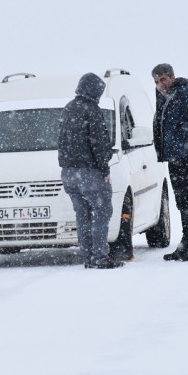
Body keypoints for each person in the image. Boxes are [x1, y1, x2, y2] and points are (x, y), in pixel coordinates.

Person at [58, 73, 123, 269]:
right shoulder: (92, 110)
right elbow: (98, 142)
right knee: (101, 212)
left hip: (69, 173)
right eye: (99, 91)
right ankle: (100, 258)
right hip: (90, 172)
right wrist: (104, 166)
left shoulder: (68, 108)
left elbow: (63, 141)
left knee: (82, 215)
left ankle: (87, 258)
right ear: (94, 90)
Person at [151, 63, 188, 261]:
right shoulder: (165, 97)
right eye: (157, 81)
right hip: (175, 155)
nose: (160, 84)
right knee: (182, 202)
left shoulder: (186, 92)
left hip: (187, 155)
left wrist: (181, 133)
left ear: (172, 77)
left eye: (163, 80)